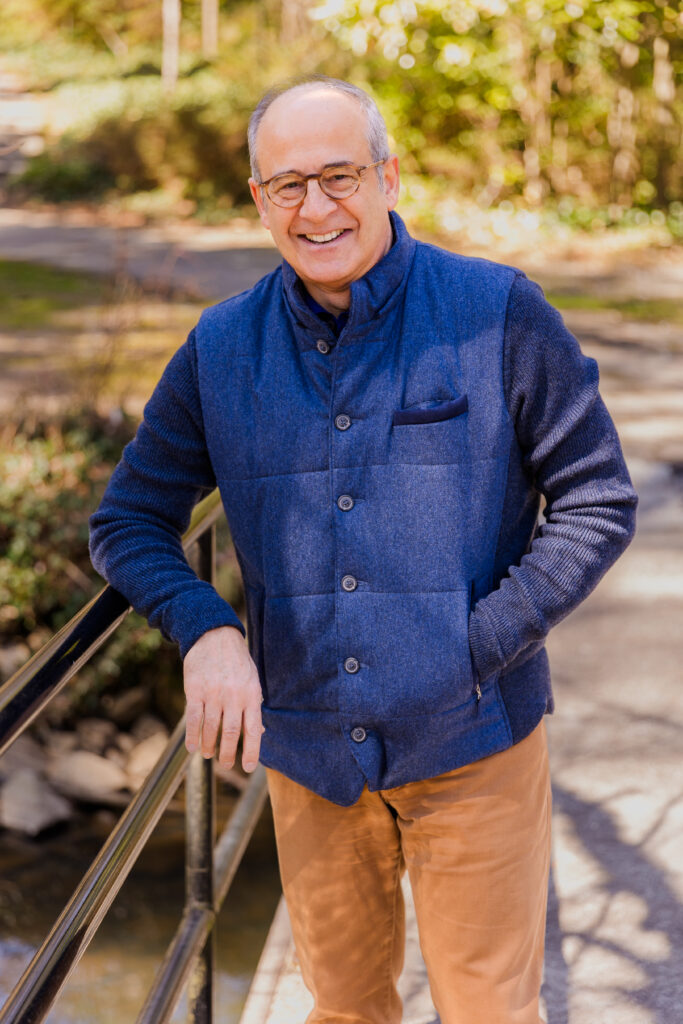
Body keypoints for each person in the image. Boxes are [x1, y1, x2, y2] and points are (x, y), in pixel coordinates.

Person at [89, 76, 638, 1024]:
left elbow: (597, 496)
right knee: (342, 1010)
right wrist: (206, 629)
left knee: (489, 1013)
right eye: (287, 185)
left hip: (474, 743)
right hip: (309, 755)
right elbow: (128, 519)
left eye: (338, 176)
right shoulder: (219, 350)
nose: (316, 207)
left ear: (387, 177)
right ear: (259, 202)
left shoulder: (497, 313)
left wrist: (475, 644)